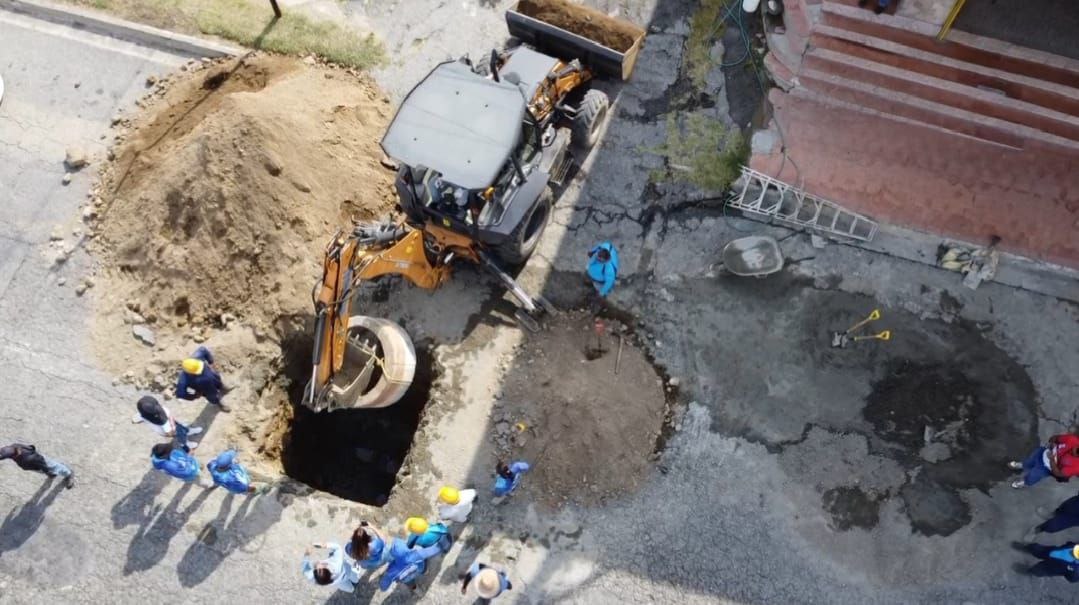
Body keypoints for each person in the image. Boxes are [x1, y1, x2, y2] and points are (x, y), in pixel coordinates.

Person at [131, 395, 202, 450]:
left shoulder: (142, 410)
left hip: (169, 423)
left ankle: (188, 431)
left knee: (180, 426)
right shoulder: (162, 421)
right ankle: (185, 443)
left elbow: (135, 420)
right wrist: (174, 429)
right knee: (180, 434)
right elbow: (169, 432)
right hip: (167, 429)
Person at [1009, 433, 1079, 489]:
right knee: (1030, 461)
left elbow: (1058, 473)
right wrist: (1052, 443)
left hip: (1047, 468)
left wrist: (1051, 459)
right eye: (1076, 449)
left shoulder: (1077, 467)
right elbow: (1055, 438)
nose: (1073, 451)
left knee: (1033, 476)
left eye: (1076, 454)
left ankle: (1024, 482)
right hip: (1043, 452)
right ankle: (1022, 465)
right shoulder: (1072, 439)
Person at [176, 346, 229, 412]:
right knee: (212, 396)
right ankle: (219, 403)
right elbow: (180, 394)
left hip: (212, 376)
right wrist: (194, 396)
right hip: (204, 388)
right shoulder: (183, 380)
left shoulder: (197, 357)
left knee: (218, 381)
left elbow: (203, 349)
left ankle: (223, 388)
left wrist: (211, 363)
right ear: (189, 372)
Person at [378, 539, 443, 592]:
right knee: (419, 551)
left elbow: (383, 587)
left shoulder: (391, 570)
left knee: (410, 583)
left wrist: (383, 584)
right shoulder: (413, 555)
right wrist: (440, 546)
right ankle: (426, 572)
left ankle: (418, 591)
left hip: (406, 578)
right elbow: (429, 551)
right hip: (417, 568)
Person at [0, 443, 74, 489]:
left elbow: (43, 465)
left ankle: (68, 473)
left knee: (55, 467)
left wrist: (48, 471)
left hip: (41, 463)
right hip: (35, 464)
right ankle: (51, 473)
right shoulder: (14, 446)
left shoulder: (29, 458)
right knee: (47, 469)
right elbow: (31, 447)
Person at [1013, 541, 1079, 582]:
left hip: (1052, 568)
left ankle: (1029, 571)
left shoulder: (1076, 570)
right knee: (1035, 548)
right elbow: (1069, 544)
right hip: (1048, 551)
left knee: (1037, 571)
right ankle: (1025, 547)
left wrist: (1070, 572)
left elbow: (1072, 579)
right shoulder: (1075, 546)